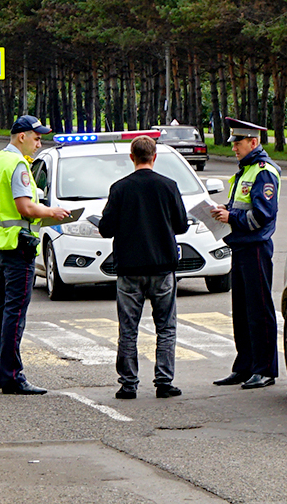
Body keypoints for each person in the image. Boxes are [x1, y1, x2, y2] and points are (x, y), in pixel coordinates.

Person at [0, 115, 75, 395]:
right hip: (18, 246)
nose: (39, 143)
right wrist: (52, 212)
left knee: (3, 309)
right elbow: (25, 207)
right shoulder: (18, 165)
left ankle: (2, 373)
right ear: (21, 136)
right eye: (36, 138)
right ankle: (13, 376)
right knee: (15, 311)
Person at [98, 134, 189, 399]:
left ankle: (128, 384)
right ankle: (164, 381)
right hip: (162, 267)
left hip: (129, 268)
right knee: (166, 327)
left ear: (131, 157)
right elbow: (182, 225)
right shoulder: (168, 186)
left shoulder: (120, 188)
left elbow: (106, 229)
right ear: (154, 157)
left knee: (128, 327)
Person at [211, 117, 280, 389]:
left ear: (253, 142)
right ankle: (245, 366)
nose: (233, 148)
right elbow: (242, 205)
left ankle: (264, 369)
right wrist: (224, 210)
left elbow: (263, 215)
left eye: (237, 143)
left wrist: (232, 216)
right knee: (241, 310)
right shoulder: (245, 170)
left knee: (259, 310)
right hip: (240, 246)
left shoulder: (263, 171)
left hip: (255, 247)